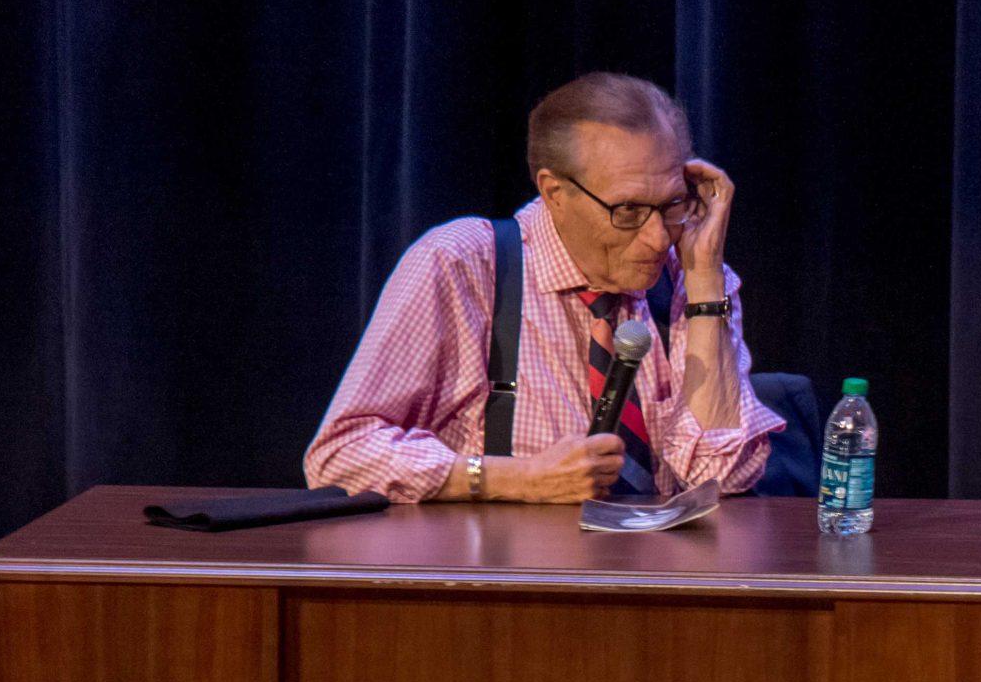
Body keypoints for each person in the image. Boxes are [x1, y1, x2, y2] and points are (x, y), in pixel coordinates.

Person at [306, 72, 784, 502]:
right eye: (628, 211)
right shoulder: (464, 264)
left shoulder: (691, 281)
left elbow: (722, 476)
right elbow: (338, 455)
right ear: (555, 193)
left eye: (672, 204)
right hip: (501, 586)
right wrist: (514, 478)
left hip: (650, 582)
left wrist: (704, 280)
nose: (658, 236)